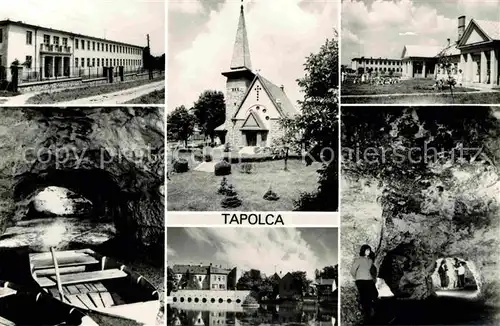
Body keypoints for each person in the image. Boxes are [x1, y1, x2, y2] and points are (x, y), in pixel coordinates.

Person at [351, 244, 378, 324]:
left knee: (374, 293)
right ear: (363, 251)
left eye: (369, 250)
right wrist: (357, 278)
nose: (368, 252)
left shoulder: (370, 261)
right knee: (364, 297)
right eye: (366, 250)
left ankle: (373, 312)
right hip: (361, 280)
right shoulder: (359, 260)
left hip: (369, 280)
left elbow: (372, 270)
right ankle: (366, 316)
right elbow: (352, 270)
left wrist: (373, 278)